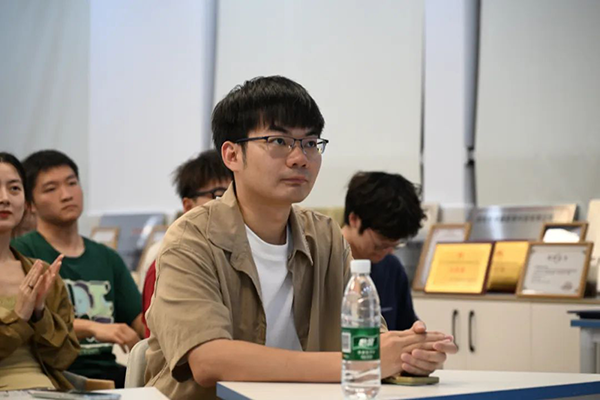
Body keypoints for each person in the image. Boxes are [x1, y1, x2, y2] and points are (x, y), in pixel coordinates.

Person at [145, 76, 457, 400]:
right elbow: (209, 360)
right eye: (279, 141)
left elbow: (370, 343)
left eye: (310, 143)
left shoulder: (325, 238)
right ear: (232, 155)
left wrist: (410, 354)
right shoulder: (190, 239)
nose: (299, 158)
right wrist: (356, 364)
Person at [11, 150, 142, 388]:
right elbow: (27, 322)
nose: (66, 195)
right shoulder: (22, 253)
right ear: (30, 204)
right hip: (53, 372)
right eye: (51, 189)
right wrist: (93, 327)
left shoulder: (107, 257)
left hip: (108, 373)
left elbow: (139, 321)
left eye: (72, 183)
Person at [0, 152, 79, 390]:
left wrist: (39, 314)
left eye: (14, 188)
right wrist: (20, 317)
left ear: (26, 203)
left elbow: (65, 357)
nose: (4, 198)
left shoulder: (42, 272)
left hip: (47, 391)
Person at [141, 149, 233, 337]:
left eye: (234, 193)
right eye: (219, 194)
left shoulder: (242, 252)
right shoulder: (171, 259)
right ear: (188, 206)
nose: (230, 203)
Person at [341, 171, 424, 331]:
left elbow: (404, 328)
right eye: (381, 244)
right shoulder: (324, 264)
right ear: (354, 219)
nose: (389, 252)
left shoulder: (391, 267)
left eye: (395, 245)